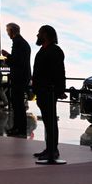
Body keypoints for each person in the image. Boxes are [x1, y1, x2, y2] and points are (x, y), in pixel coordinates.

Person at [30, 25, 66, 160]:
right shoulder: (45, 50)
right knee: (47, 121)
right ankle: (49, 148)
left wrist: (59, 90)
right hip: (42, 91)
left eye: (39, 33)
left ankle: (53, 150)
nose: (37, 35)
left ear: (45, 34)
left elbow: (60, 72)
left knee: (50, 122)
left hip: (48, 92)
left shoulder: (54, 51)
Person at [1, 23, 32, 137]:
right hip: (22, 77)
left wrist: (6, 56)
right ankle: (18, 128)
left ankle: (20, 129)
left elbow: (17, 61)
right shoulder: (21, 42)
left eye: (8, 31)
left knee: (18, 104)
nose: (7, 33)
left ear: (12, 31)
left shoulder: (18, 43)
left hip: (19, 78)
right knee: (17, 104)